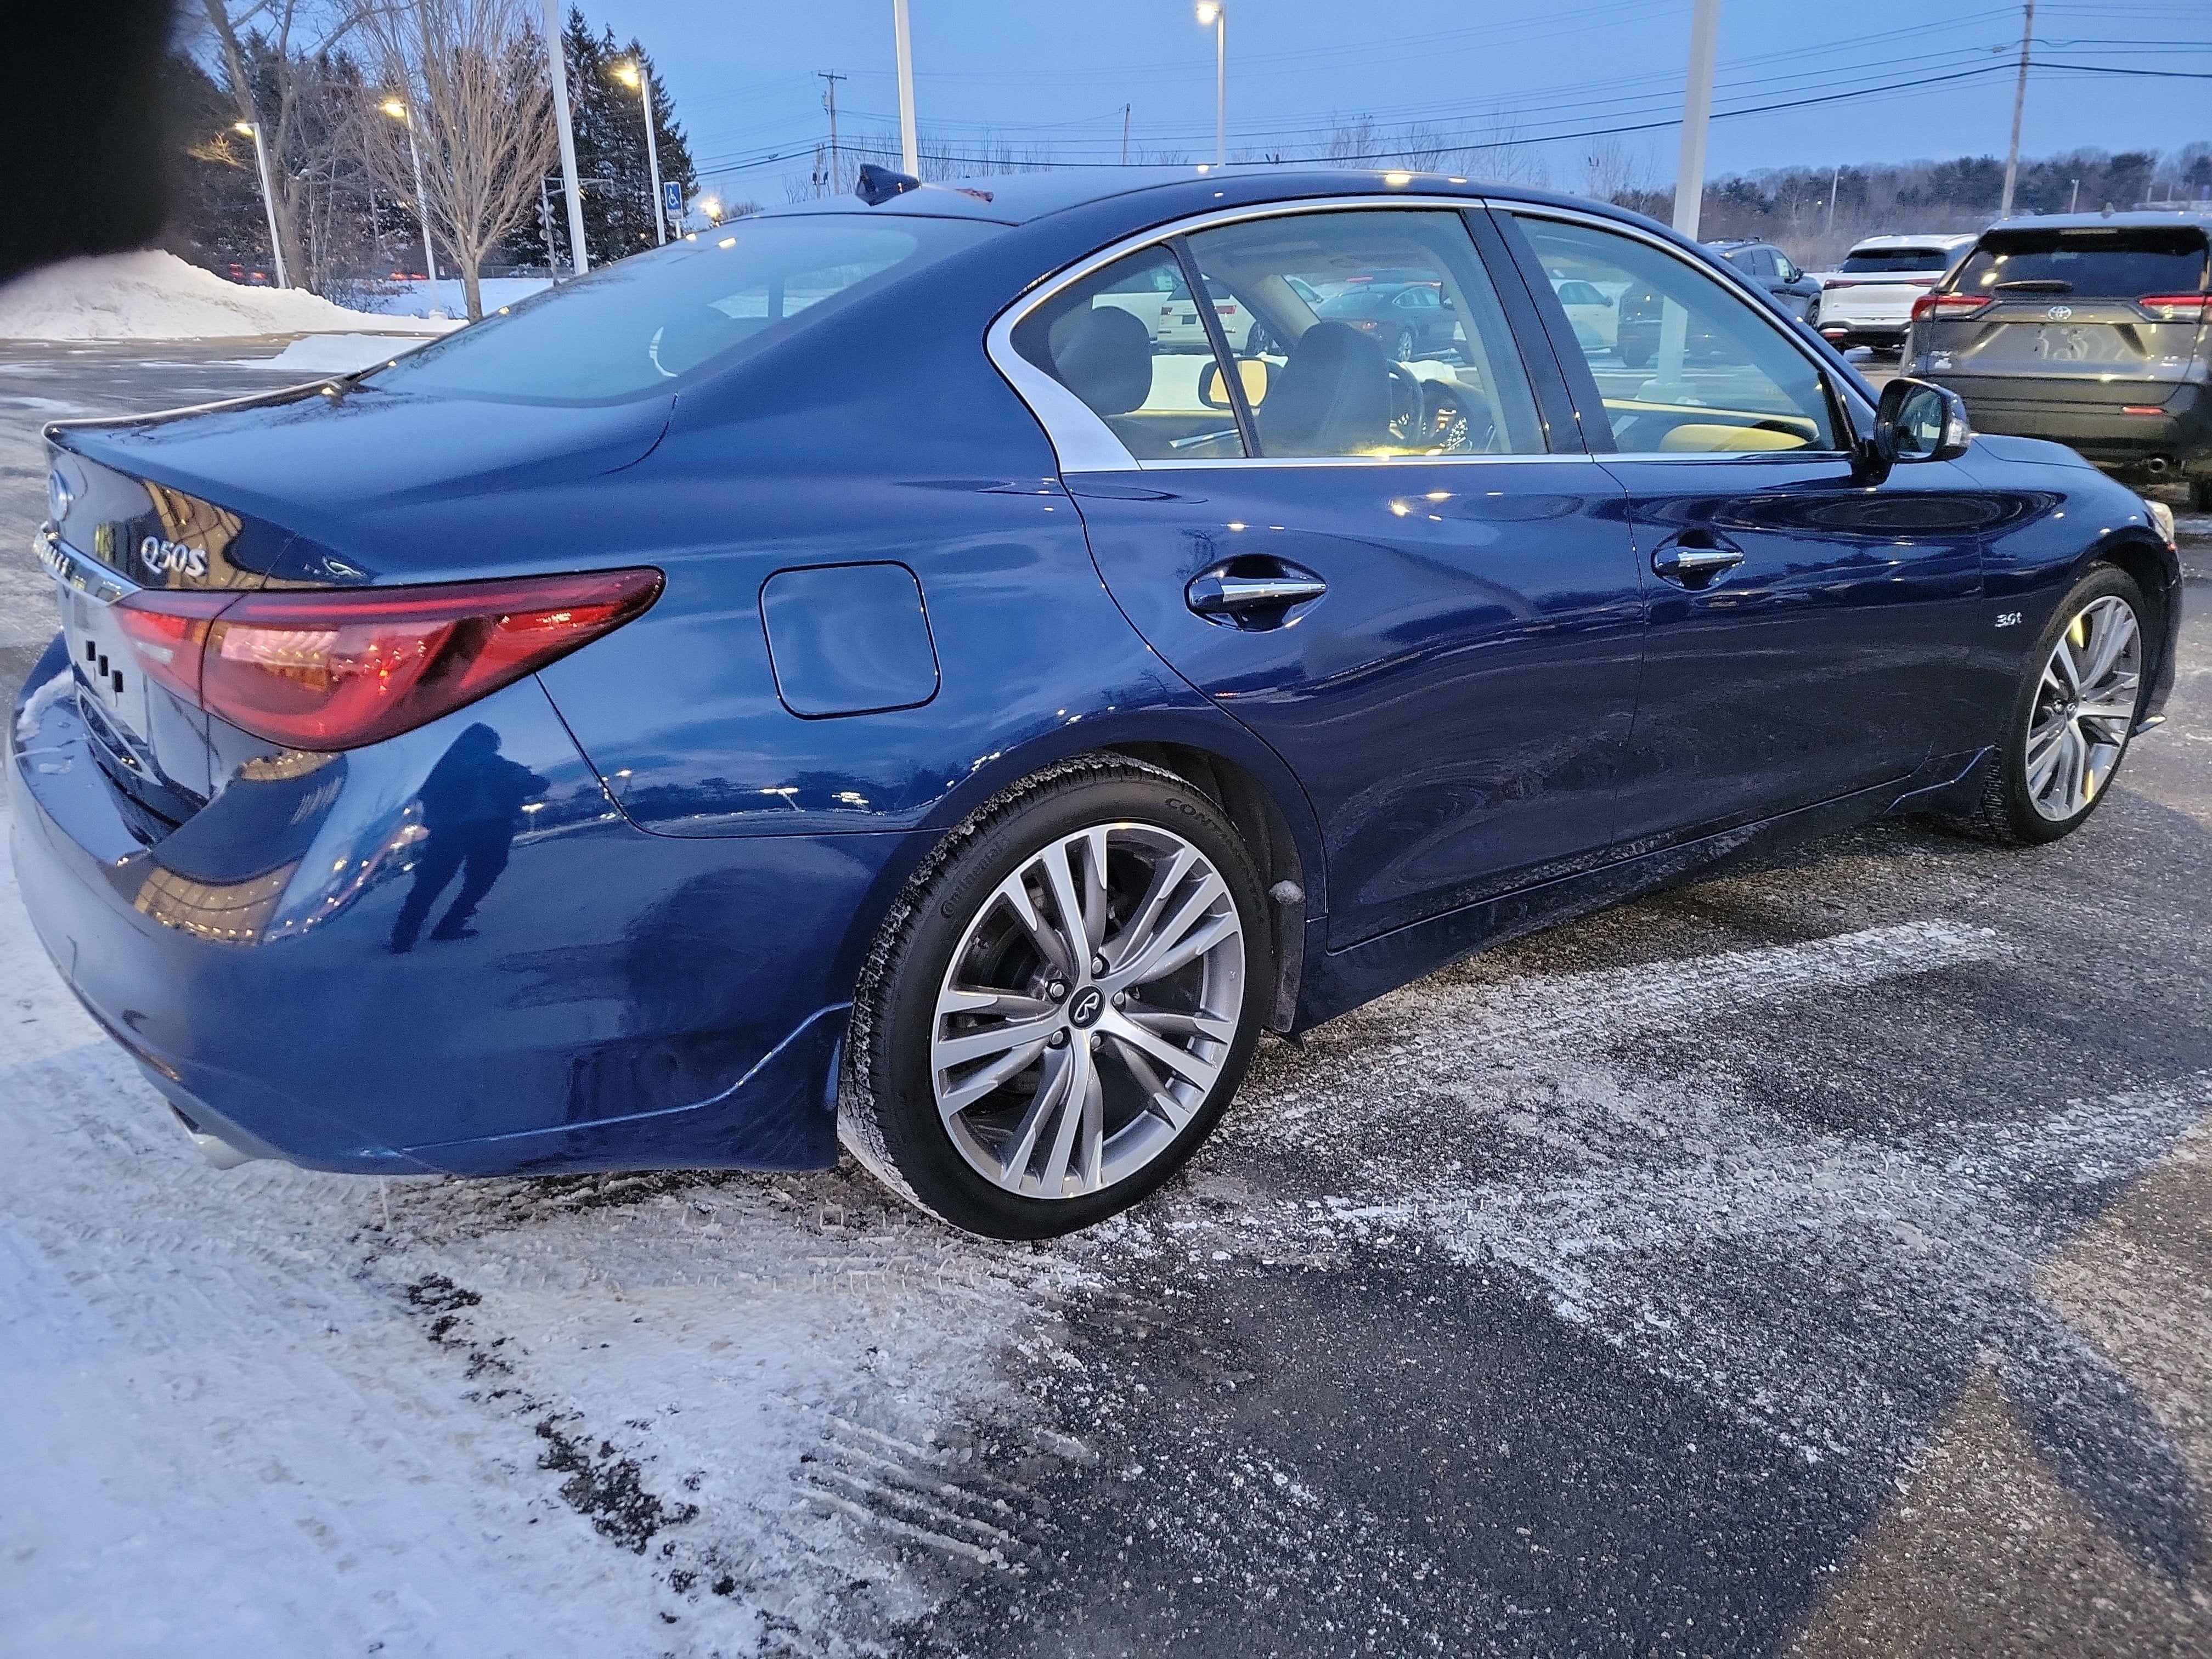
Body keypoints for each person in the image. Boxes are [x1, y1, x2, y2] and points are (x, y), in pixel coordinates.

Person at [388, 723, 545, 953]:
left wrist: (517, 779)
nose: (485, 753)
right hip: (458, 830)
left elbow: (537, 784)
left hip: (486, 830)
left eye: (488, 748)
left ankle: (437, 928)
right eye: (483, 747)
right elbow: (425, 793)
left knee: (472, 880)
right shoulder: (446, 768)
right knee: (434, 883)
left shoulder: (497, 767)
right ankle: (406, 937)